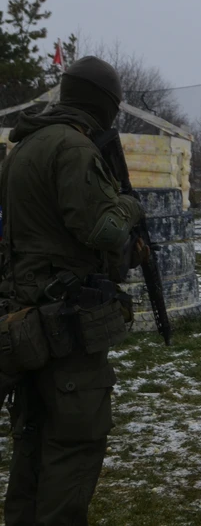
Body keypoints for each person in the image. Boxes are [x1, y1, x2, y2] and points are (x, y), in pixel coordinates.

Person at [0, 56, 143, 524]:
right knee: (74, 444)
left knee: (33, 440)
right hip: (68, 327)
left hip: (29, 319)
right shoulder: (74, 149)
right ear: (105, 106)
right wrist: (128, 205)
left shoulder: (23, 147)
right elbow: (102, 229)